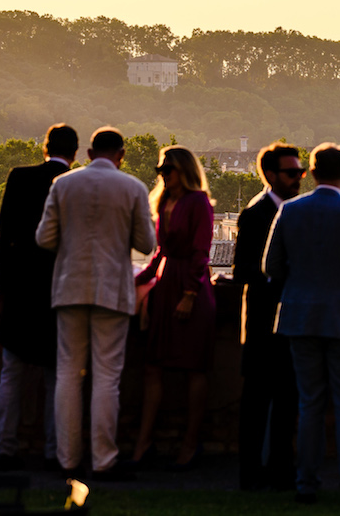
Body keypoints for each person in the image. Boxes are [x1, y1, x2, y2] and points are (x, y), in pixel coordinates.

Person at [263, 143, 340, 505]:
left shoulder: (289, 211)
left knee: (310, 403)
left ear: (312, 173)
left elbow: (270, 267)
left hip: (301, 316)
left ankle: (306, 484)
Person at [35, 127, 156, 481]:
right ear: (121, 154)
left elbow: (44, 237)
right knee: (107, 376)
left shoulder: (64, 185)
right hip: (111, 289)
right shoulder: (133, 187)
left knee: (68, 375)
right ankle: (104, 459)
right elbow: (146, 244)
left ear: (88, 153)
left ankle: (67, 458)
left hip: (70, 285)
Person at [0, 124, 77, 472]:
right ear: (74, 152)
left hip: (21, 290)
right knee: (57, 376)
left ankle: (4, 448)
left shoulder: (19, 178)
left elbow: (4, 231)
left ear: (45, 148)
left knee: (12, 373)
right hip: (61, 290)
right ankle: (55, 451)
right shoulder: (75, 185)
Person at [128, 146, 217, 470]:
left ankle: (190, 443)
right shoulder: (164, 202)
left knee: (195, 368)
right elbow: (159, 255)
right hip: (167, 289)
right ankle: (144, 442)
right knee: (153, 367)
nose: (163, 173)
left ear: (184, 170)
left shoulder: (198, 202)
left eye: (168, 168)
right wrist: (136, 280)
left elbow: (201, 251)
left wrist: (190, 293)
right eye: (161, 169)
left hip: (188, 289)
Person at [233, 142, 304, 491]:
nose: (299, 178)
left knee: (288, 401)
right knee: (257, 404)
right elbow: (243, 271)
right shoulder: (255, 214)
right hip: (263, 324)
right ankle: (251, 474)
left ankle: (280, 470)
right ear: (271, 175)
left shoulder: (293, 211)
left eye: (301, 172)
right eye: (293, 173)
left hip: (289, 321)